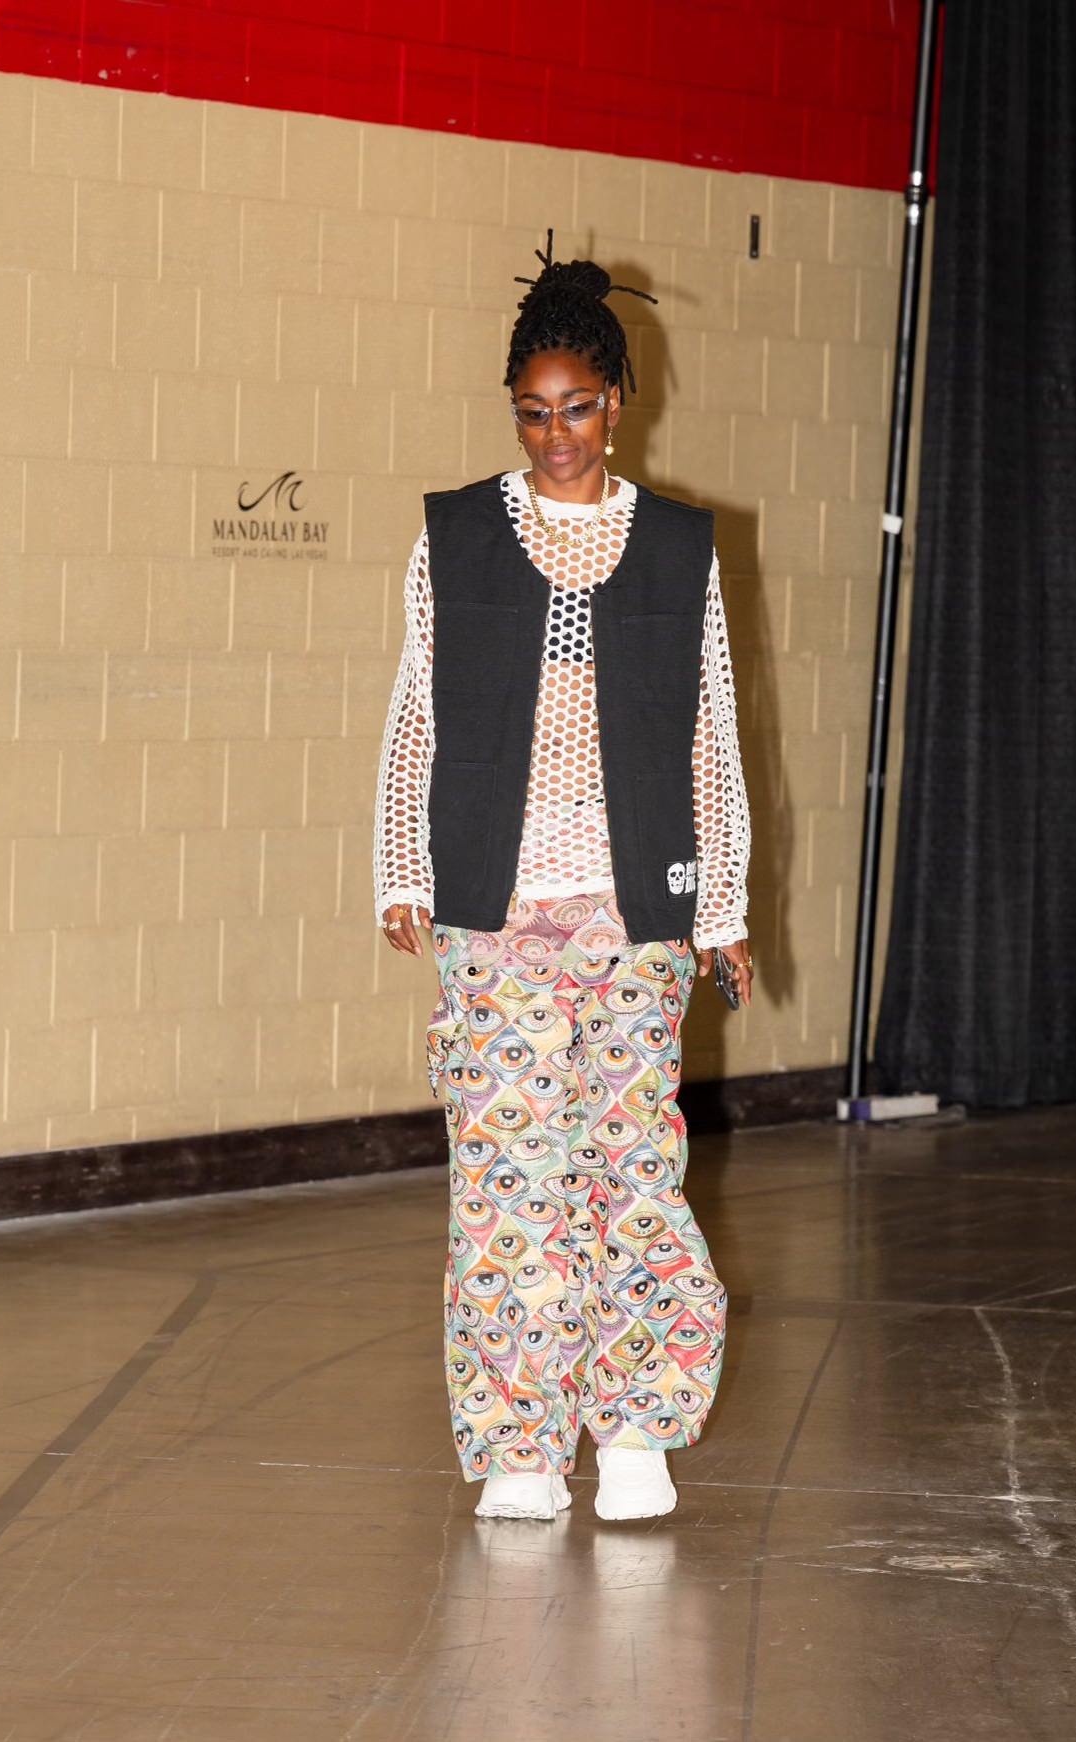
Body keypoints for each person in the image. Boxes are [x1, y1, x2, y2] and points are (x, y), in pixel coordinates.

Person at [372, 233, 753, 1522]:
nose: (556, 437)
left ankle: (636, 1432)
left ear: (616, 401)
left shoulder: (679, 549)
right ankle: (522, 1445)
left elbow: (710, 726)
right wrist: (400, 863)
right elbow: (416, 708)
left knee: (629, 1171)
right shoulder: (457, 537)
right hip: (496, 909)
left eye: (577, 409)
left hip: (636, 909)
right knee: (507, 1177)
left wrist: (726, 907)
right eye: (532, 414)